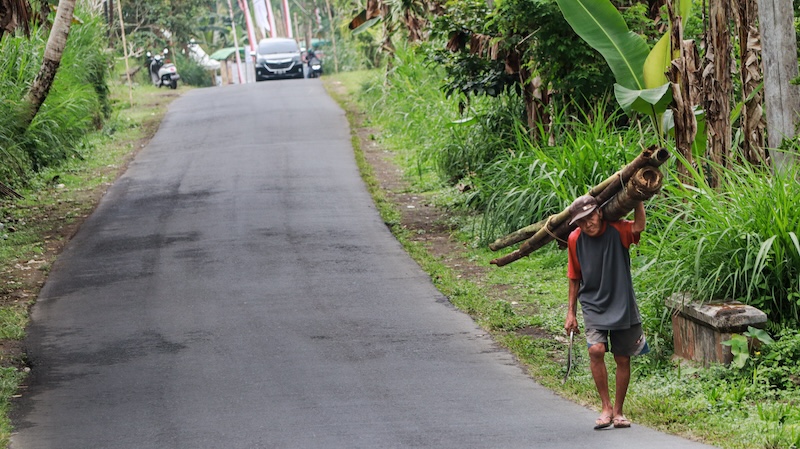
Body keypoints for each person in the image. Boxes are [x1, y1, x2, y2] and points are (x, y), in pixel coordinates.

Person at [564, 195, 649, 430]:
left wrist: (637, 198)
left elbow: (639, 226)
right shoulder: (575, 239)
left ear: (599, 213)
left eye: (590, 217)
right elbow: (574, 277)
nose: (588, 223)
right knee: (596, 349)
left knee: (622, 357)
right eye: (581, 221)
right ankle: (605, 407)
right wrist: (570, 313)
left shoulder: (617, 231)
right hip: (593, 302)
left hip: (621, 301)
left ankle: (619, 412)